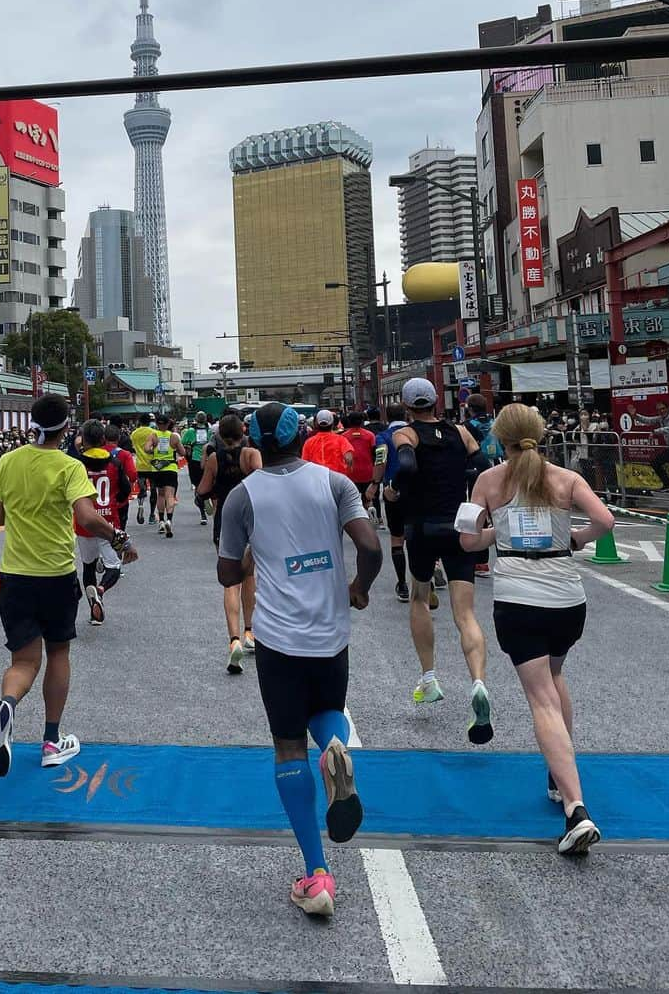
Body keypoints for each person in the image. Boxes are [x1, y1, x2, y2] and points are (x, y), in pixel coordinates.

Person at [217, 402, 383, 917]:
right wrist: (359, 587)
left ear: (255, 441)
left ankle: (316, 876)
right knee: (326, 708)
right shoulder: (335, 485)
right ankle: (336, 748)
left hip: (277, 638)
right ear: (301, 434)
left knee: (288, 745)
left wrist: (248, 555)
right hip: (331, 632)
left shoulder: (243, 497)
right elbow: (371, 546)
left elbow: (227, 576)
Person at [458, 403, 614, 854]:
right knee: (556, 676)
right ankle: (556, 771)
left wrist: (500, 533)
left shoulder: (488, 481)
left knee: (540, 697)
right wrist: (573, 539)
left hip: (519, 601)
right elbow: (604, 521)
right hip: (567, 598)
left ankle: (576, 809)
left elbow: (467, 539)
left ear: (498, 437)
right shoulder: (565, 478)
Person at [0, 394, 133, 777]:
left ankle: (8, 706)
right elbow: (87, 515)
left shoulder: (9, 461)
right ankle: (51, 741)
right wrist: (119, 539)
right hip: (56, 574)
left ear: (33, 424)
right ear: (68, 429)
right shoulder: (69, 467)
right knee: (58, 653)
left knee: (24, 661)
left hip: (16, 574)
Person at [393, 378, 493, 741]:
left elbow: (404, 466)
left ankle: (429, 677)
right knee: (465, 613)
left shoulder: (406, 434)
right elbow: (482, 465)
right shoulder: (461, 432)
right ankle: (478, 682)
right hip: (458, 524)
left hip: (422, 526)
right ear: (436, 402)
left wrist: (396, 490)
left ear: (407, 406)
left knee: (420, 597)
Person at [195, 412, 262, 672]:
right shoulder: (251, 455)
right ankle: (250, 632)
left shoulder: (214, 458)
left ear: (221, 435)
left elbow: (202, 489)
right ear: (243, 431)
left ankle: (233, 639)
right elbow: (263, 482)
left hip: (225, 518)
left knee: (230, 581)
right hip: (252, 517)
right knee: (250, 576)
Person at [74, 420, 135, 626]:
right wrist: (115, 502)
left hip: (84, 523)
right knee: (114, 566)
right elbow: (126, 489)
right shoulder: (115, 463)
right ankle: (101, 590)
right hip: (109, 521)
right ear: (102, 440)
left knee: (88, 566)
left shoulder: (77, 464)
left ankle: (94, 609)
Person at [367, 403, 412, 602]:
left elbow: (380, 461)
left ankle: (402, 583)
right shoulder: (414, 433)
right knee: (417, 535)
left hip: (392, 491)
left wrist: (375, 484)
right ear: (405, 414)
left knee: (397, 538)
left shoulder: (383, 437)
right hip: (418, 491)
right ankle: (427, 576)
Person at [634, 400, 669, 510]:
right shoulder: (662, 418)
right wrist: (635, 415)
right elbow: (649, 420)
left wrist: (655, 431)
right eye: (659, 410)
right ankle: (668, 484)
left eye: (663, 409)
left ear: (668, 408)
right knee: (655, 462)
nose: (661, 411)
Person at [146, 414, 185, 536]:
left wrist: (153, 451)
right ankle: (169, 520)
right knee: (170, 496)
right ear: (168, 424)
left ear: (157, 424)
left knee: (160, 495)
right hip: (170, 468)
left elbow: (146, 448)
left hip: (157, 469)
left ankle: (161, 521)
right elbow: (182, 452)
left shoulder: (153, 435)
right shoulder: (174, 437)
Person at [181, 412, 214, 525]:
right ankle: (206, 498)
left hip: (195, 461)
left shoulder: (190, 431)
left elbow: (183, 443)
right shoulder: (210, 432)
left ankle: (202, 514)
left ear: (195, 419)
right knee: (209, 483)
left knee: (198, 485)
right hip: (208, 461)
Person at [301, 411, 354, 475]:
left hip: (317, 478)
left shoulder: (309, 442)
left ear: (316, 424)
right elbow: (348, 458)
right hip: (336, 477)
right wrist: (347, 471)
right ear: (332, 424)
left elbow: (305, 463)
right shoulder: (341, 440)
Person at [342, 412, 376, 508]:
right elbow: (374, 454)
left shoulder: (344, 437)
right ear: (362, 421)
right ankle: (377, 516)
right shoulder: (370, 435)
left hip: (351, 474)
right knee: (370, 497)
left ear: (349, 421)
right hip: (368, 472)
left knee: (353, 501)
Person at [130, 415, 157, 525]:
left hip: (140, 465)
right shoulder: (153, 432)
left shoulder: (134, 434)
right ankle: (151, 515)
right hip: (152, 465)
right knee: (154, 490)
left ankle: (140, 505)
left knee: (142, 489)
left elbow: (133, 447)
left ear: (139, 421)